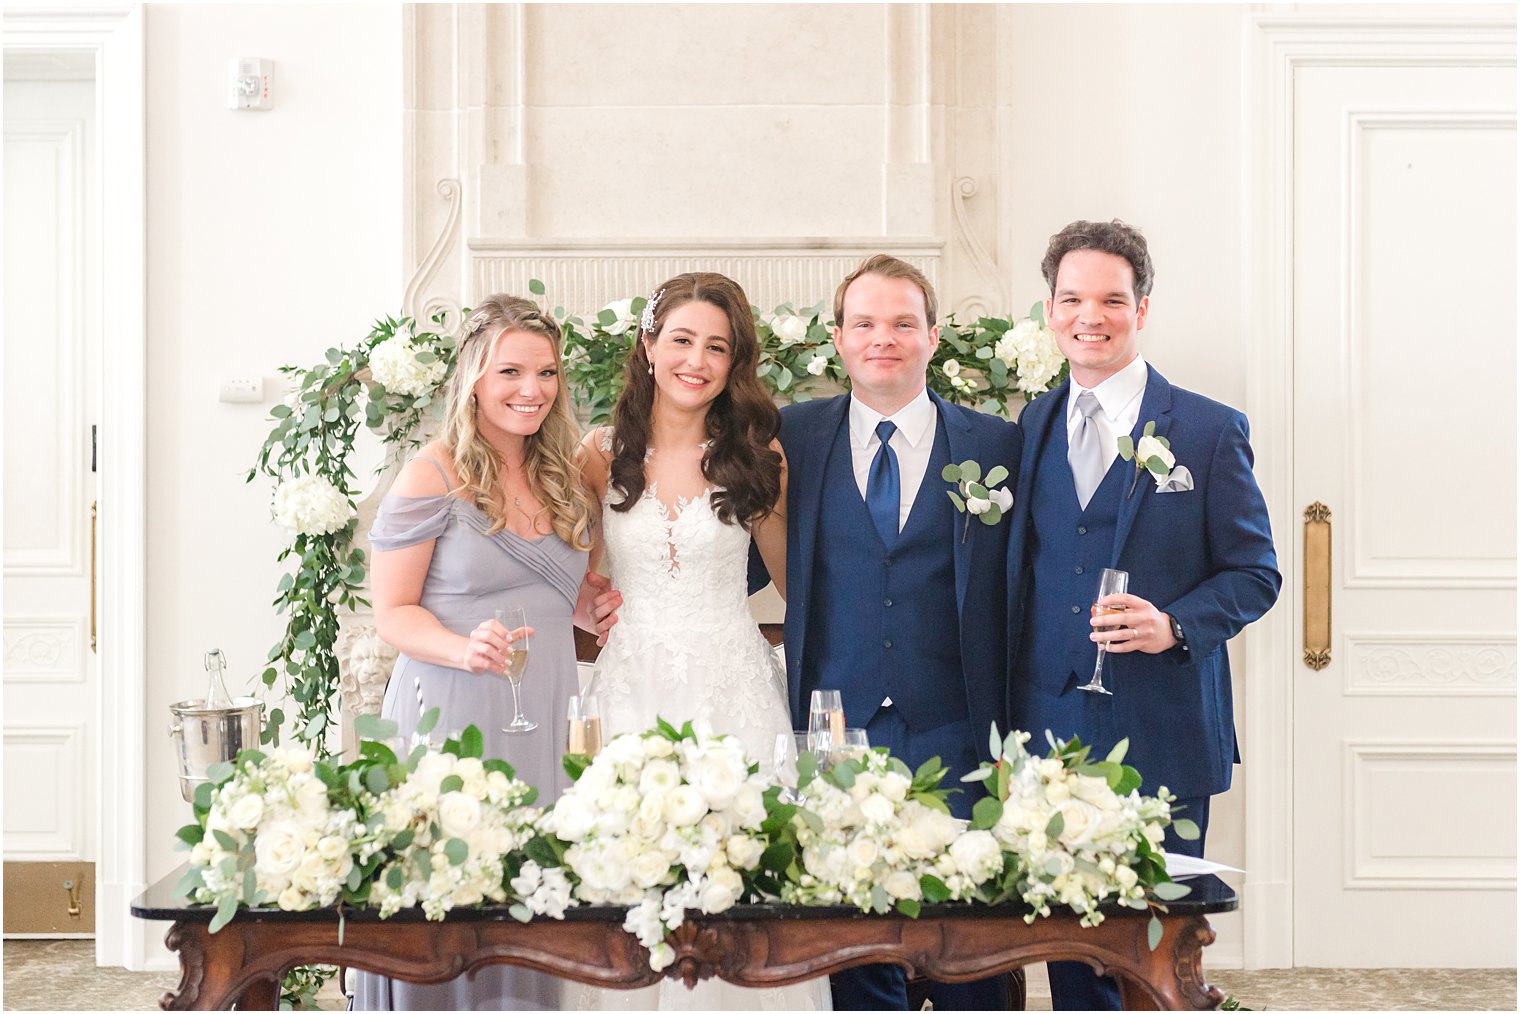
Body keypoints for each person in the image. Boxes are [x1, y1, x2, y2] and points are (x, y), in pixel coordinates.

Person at [1006, 220, 1280, 1010]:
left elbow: (1256, 574)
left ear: (1143, 307)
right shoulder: (1028, 428)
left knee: (1153, 961)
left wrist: (1175, 624)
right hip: (1047, 732)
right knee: (1067, 951)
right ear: (1049, 310)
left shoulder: (1207, 429)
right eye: (1072, 299)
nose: (1090, 316)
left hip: (1162, 728)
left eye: (1111, 300)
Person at [754, 254, 1020, 1011]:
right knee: (856, 950)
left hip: (961, 729)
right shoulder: (790, 439)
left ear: (934, 336)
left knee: (973, 950)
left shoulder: (998, 445)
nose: (884, 339)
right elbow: (733, 557)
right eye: (865, 323)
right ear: (837, 339)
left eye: (903, 323)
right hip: (838, 733)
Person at [571, 271, 829, 1012]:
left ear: (734, 362)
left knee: (743, 888)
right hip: (631, 690)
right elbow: (587, 581)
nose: (697, 359)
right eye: (681, 339)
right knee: (626, 883)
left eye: (717, 346)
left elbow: (793, 581)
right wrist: (587, 608)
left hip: (734, 689)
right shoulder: (600, 452)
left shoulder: (758, 454)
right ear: (648, 346)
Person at [352, 295, 617, 1011]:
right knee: (448, 900)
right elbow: (392, 613)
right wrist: (462, 648)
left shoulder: (564, 472)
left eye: (546, 373)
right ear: (473, 376)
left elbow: (563, 597)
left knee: (534, 897)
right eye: (510, 371)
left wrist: (591, 606)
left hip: (545, 718)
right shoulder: (431, 474)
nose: (531, 389)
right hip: (452, 710)